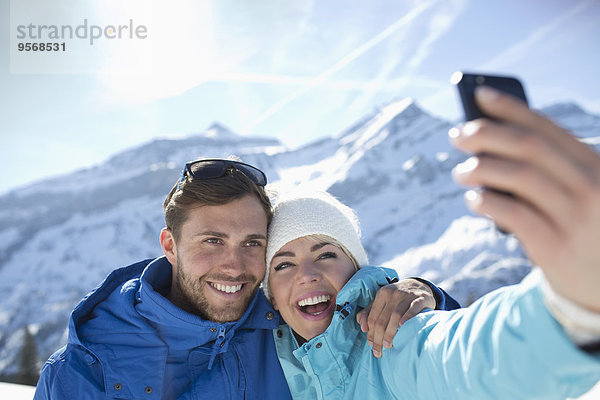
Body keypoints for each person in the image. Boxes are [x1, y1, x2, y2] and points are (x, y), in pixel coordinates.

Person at [263, 87, 600, 399]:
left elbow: (477, 359)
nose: (306, 274)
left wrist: (570, 309)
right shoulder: (268, 369)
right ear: (271, 298)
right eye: (283, 264)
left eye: (325, 255)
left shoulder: (394, 343)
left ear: (356, 267)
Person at [34, 158, 458, 399]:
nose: (235, 267)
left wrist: (426, 294)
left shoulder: (289, 327)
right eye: (213, 241)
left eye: (253, 243)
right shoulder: (82, 373)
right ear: (170, 245)